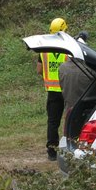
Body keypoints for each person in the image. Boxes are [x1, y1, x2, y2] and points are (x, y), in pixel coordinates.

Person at [37, 17, 68, 161]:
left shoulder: (44, 50)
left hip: (52, 92)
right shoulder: (68, 47)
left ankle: (51, 152)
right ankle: (71, 147)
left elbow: (39, 70)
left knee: (53, 122)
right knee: (70, 119)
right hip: (67, 89)